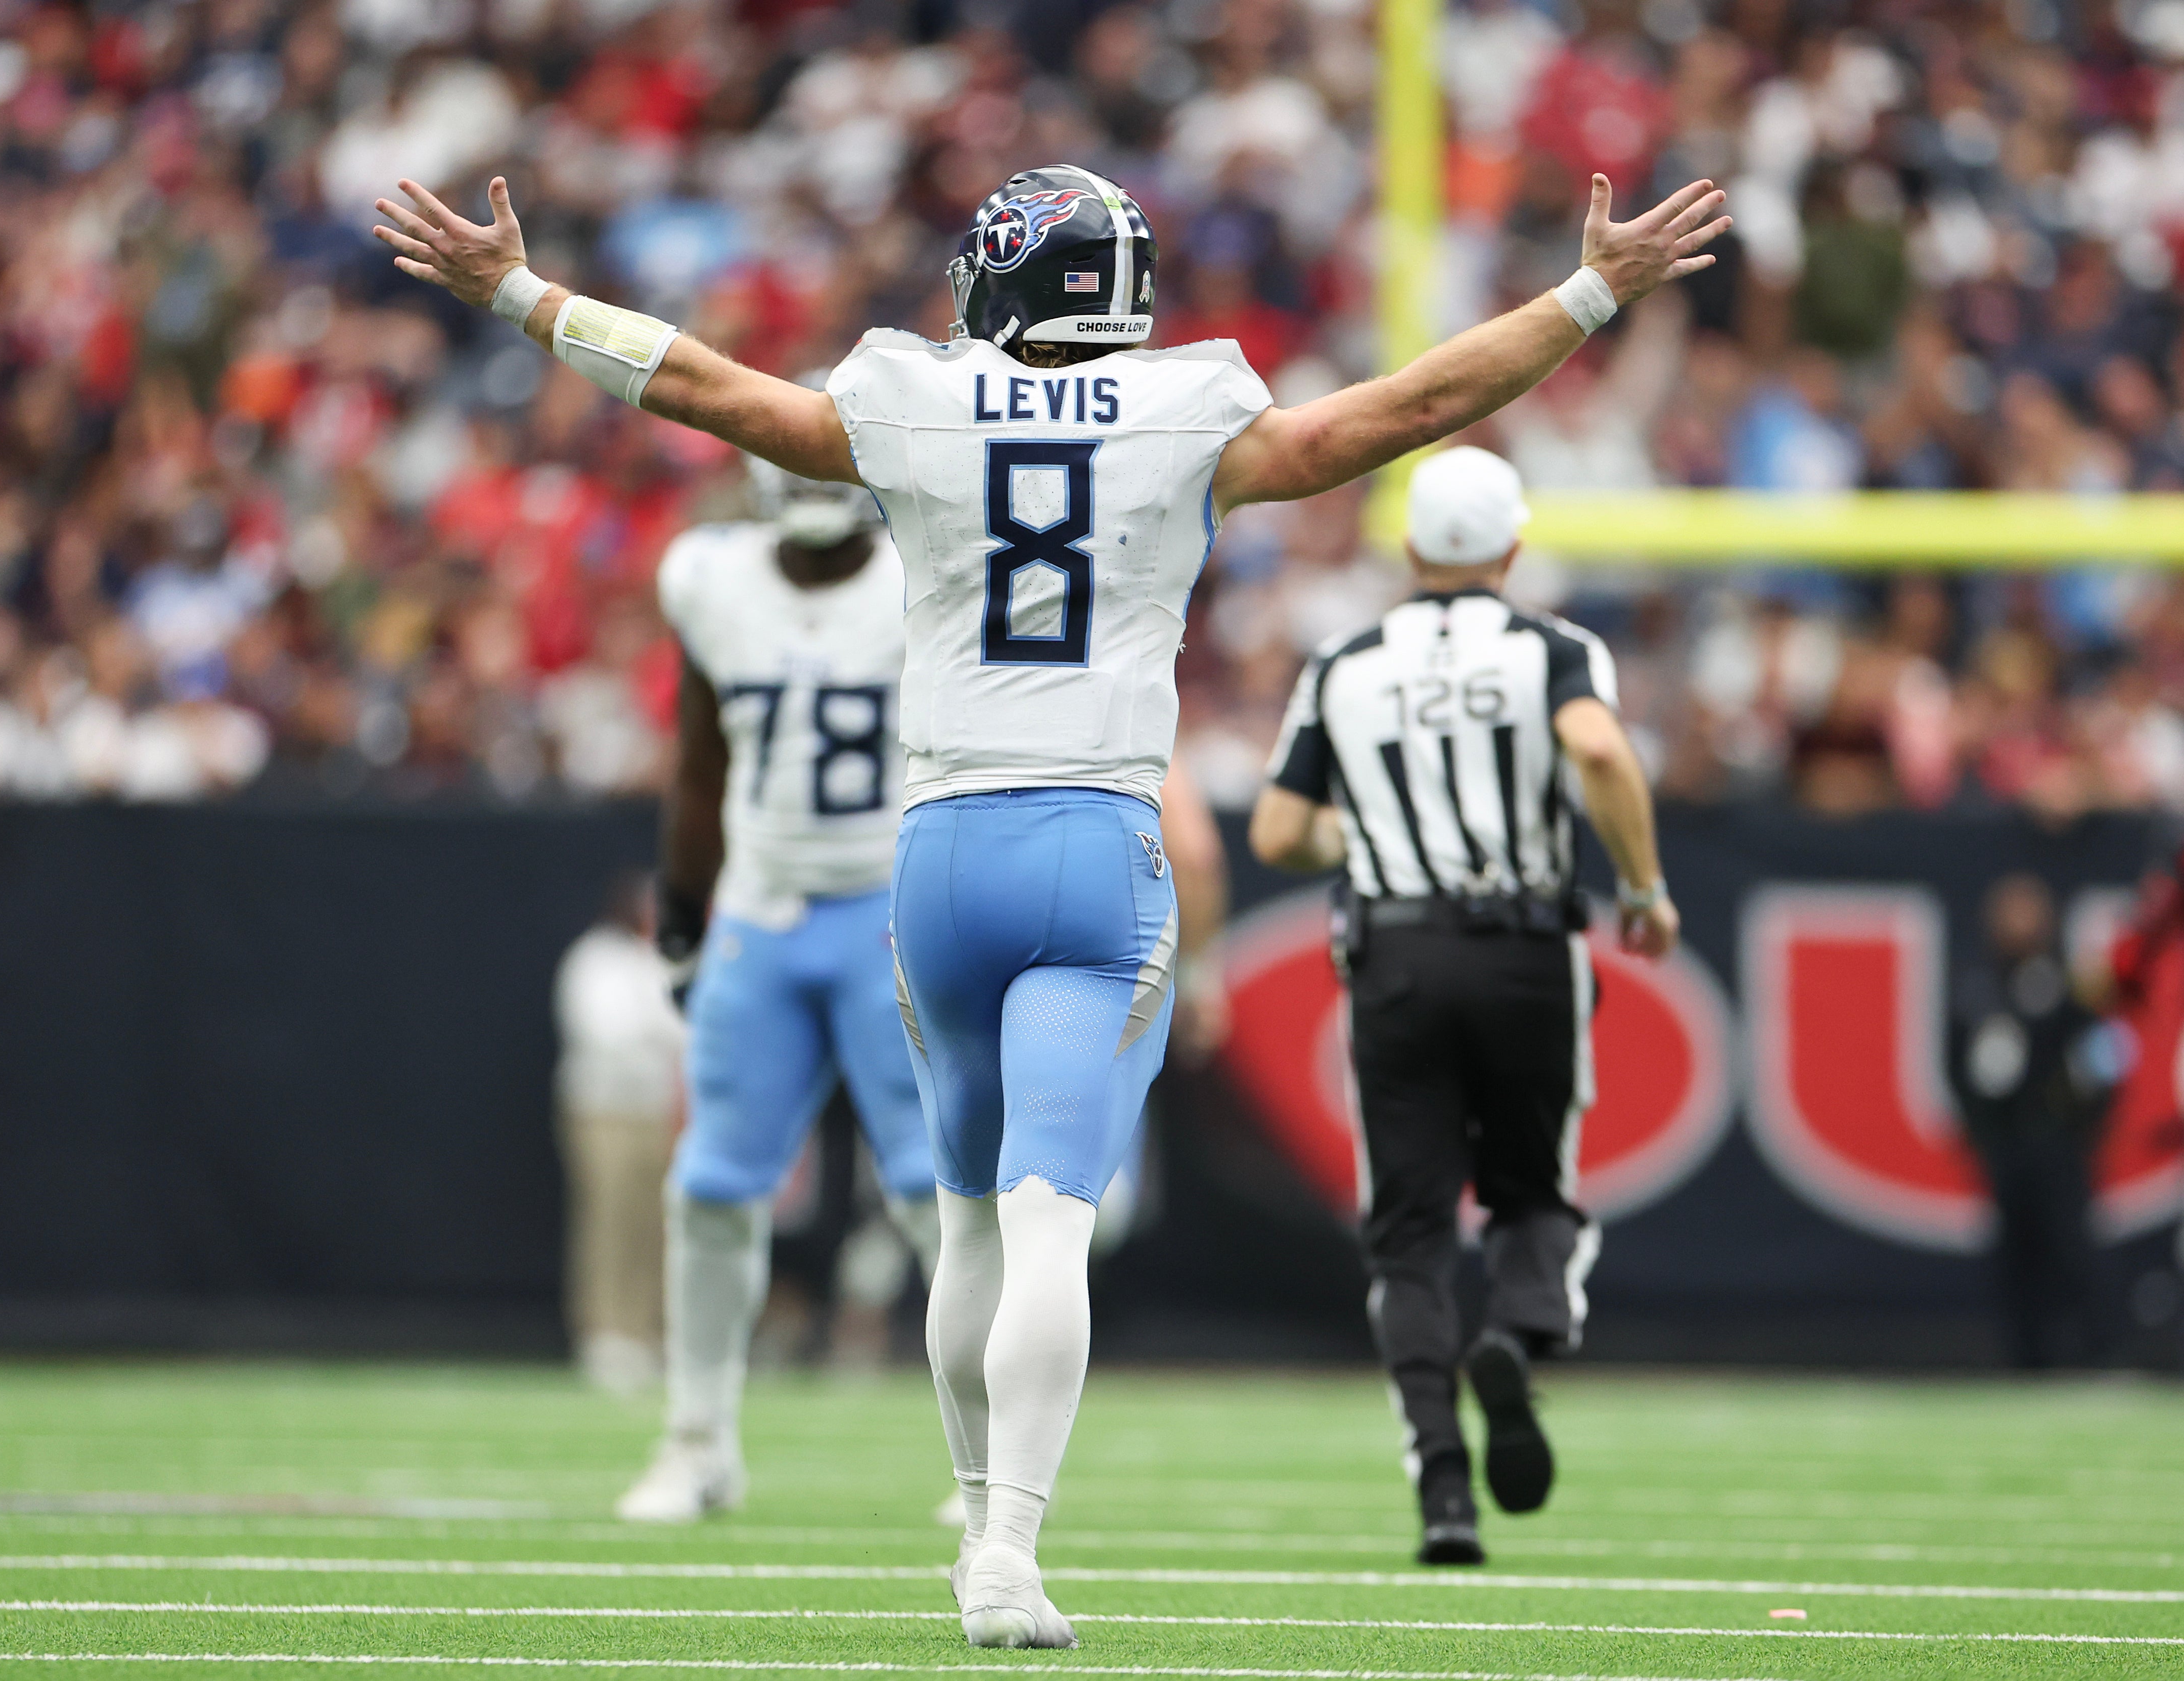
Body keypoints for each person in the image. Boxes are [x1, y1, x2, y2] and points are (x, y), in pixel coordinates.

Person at [375, 159, 1725, 1644]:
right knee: (1046, 1223)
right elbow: (1403, 410)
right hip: (1096, 835)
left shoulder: (914, 398)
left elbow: (703, 385)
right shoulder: (1187, 411)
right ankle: (1002, 1551)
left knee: (964, 1222)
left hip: (941, 844)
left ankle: (963, 1509)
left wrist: (514, 291)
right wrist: (1595, 289)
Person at [1247, 446, 1679, 1567]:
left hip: (1394, 952)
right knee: (1535, 1191)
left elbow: (1278, 834)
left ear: (1409, 547)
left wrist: (1380, 841)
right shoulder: (1555, 650)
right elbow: (1595, 746)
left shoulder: (1345, 660)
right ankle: (1522, 1339)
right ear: (1513, 547)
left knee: (1409, 1232)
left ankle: (1443, 1490)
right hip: (1526, 944)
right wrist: (1644, 887)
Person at [614, 456, 943, 1523]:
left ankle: (988, 1462)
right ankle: (697, 1442)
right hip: (759, 910)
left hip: (886, 903)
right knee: (711, 1186)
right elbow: (700, 760)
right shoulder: (713, 580)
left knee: (938, 1194)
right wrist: (681, 908)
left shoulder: (924, 575)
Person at [1946, 872, 2111, 1369]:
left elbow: (2107, 1053)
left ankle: (2092, 1353)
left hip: (2057, 1139)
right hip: (2004, 1140)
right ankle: (2024, 1359)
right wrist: (1980, 1127)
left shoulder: (2073, 983)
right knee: (2014, 1256)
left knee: (2071, 1248)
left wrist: (2080, 1115)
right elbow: (1954, 1062)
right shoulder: (1977, 983)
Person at [554, 873, 684, 1397]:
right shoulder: (596, 958)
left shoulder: (665, 959)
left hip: (656, 1111)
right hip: (603, 1109)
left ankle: (648, 1330)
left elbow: (687, 1031)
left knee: (657, 1224)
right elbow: (608, 1032)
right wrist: (660, 1033)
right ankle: (606, 1333)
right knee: (610, 1218)